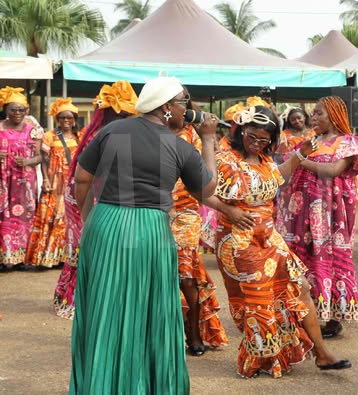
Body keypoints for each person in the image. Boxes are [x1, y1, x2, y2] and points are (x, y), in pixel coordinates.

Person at [69, 76, 218, 394]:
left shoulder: (112, 131)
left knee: (105, 307)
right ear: (166, 108)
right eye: (183, 102)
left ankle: (101, 383)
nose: (186, 110)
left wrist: (88, 222)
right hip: (148, 229)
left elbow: (82, 179)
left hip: (105, 222)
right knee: (146, 310)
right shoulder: (177, 145)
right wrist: (208, 139)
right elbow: (207, 190)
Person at [203, 105, 351, 378]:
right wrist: (229, 210)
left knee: (301, 286)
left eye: (264, 139)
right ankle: (260, 360)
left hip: (270, 237)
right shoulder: (226, 159)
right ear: (241, 130)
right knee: (258, 301)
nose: (257, 143)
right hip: (240, 241)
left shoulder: (265, 160)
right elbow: (203, 191)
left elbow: (277, 177)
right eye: (252, 136)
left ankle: (322, 354)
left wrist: (299, 154)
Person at [277, 96, 358, 338]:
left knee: (329, 258)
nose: (313, 118)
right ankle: (306, 313)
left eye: (319, 114)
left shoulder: (347, 142)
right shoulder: (310, 142)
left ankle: (332, 317)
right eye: (313, 114)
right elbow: (286, 171)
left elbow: (334, 170)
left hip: (331, 215)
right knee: (303, 259)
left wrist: (302, 161)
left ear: (334, 116)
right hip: (302, 211)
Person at [53, 81, 138, 319]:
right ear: (117, 114)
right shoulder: (107, 135)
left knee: (88, 246)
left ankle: (82, 299)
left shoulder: (106, 132)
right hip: (88, 196)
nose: (132, 118)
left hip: (90, 194)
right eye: (128, 114)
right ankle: (82, 302)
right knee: (90, 246)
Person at [171, 91, 228, 356]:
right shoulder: (149, 131)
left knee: (185, 273)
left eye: (181, 100)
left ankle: (194, 334)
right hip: (152, 210)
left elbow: (206, 177)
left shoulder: (193, 134)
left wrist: (209, 138)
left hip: (185, 210)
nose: (176, 105)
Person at [25, 98, 80, 269]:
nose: (66, 121)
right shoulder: (50, 136)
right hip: (55, 182)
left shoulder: (80, 136)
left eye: (69, 117)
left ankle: (65, 256)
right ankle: (48, 257)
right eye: (62, 117)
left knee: (69, 219)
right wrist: (46, 180)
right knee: (51, 216)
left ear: (75, 120)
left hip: (73, 183)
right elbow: (44, 160)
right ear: (57, 119)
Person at [0, 86, 43, 271]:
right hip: (3, 181)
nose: (17, 113)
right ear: (5, 110)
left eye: (21, 109)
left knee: (26, 218)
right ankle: (5, 257)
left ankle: (23, 257)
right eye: (13, 109)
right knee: (3, 216)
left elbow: (42, 156)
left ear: (27, 110)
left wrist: (28, 160)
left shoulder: (34, 131)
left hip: (24, 183)